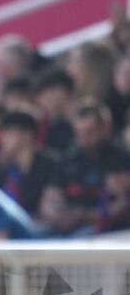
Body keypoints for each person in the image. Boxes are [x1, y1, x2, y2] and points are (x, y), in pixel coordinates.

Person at [40, 99, 130, 235]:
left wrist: (84, 216)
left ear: (106, 127)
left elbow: (123, 206)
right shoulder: (68, 160)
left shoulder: (123, 160)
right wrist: (58, 215)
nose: (84, 139)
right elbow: (49, 199)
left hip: (106, 231)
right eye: (79, 133)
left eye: (90, 132)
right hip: (64, 227)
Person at [0, 111, 60, 221]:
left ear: (27, 135)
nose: (2, 139)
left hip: (43, 226)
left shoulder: (50, 164)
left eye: (8, 132)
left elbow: (52, 209)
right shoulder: (3, 168)